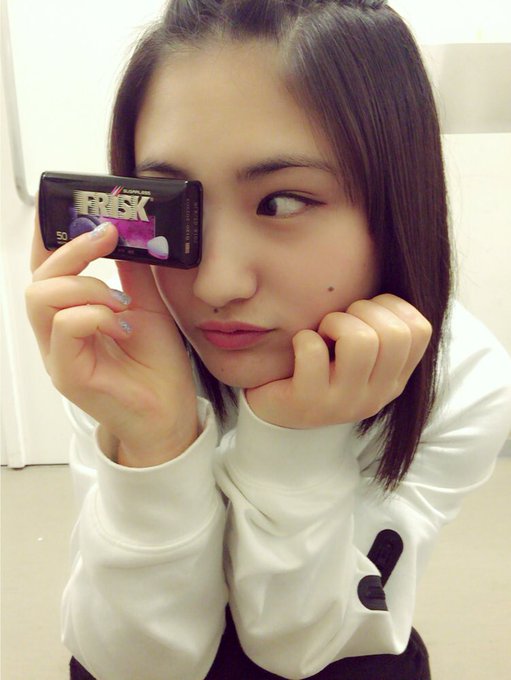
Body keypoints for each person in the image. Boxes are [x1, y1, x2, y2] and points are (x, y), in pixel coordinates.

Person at [25, 1, 511, 679]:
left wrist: (295, 447)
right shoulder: (124, 343)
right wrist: (153, 443)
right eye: (175, 205)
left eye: (281, 202)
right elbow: (134, 663)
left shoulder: (461, 377)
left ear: (396, 203)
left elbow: (299, 645)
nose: (217, 282)